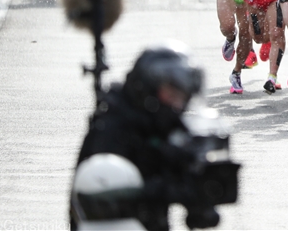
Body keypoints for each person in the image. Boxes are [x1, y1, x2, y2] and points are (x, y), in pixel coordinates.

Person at [74, 43, 218, 231]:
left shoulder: (158, 122)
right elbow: (109, 193)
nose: (178, 104)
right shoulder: (114, 127)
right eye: (172, 94)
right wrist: (171, 189)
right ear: (148, 88)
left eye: (182, 97)